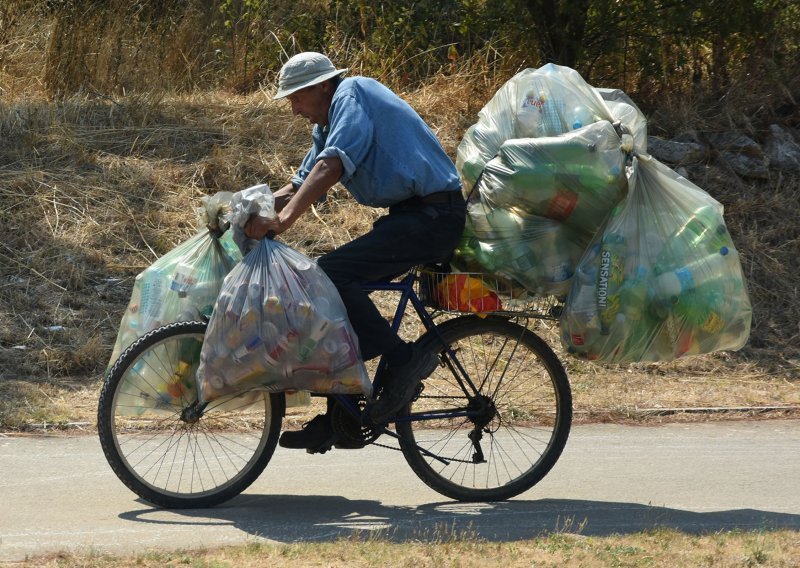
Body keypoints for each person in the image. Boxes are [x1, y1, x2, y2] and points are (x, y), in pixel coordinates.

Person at [245, 51, 466, 452]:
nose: (293, 108)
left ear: (322, 86)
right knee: (332, 304)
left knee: (330, 274)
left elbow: (331, 167)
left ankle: (403, 360)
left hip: (435, 216)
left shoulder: (352, 94)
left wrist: (284, 221)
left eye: (296, 97)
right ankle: (342, 417)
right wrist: (242, 213)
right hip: (411, 217)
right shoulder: (327, 123)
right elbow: (299, 183)